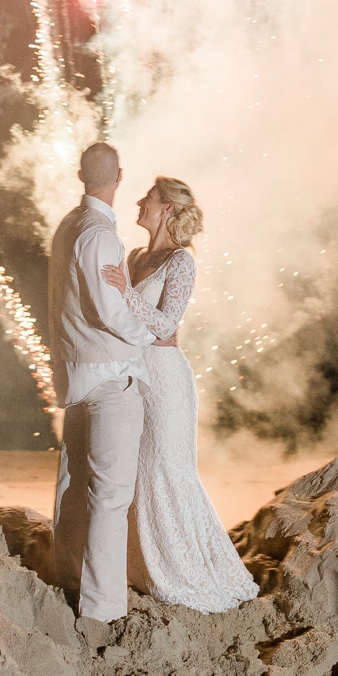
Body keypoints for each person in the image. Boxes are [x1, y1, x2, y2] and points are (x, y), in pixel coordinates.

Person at [102, 176, 259, 613]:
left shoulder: (181, 261)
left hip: (166, 381)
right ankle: (145, 568)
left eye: (148, 198)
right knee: (138, 472)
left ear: (167, 209)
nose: (139, 202)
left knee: (166, 470)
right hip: (135, 375)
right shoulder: (132, 256)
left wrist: (124, 293)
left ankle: (187, 573)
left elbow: (166, 326)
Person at [48, 141, 157, 625]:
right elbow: (109, 312)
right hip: (110, 379)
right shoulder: (99, 234)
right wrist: (147, 333)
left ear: (79, 175)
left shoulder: (67, 227)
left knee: (73, 489)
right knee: (110, 498)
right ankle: (103, 611)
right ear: (119, 177)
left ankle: (68, 580)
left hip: (75, 378)